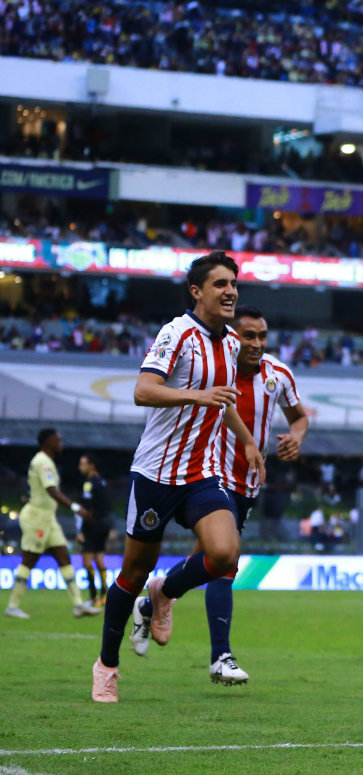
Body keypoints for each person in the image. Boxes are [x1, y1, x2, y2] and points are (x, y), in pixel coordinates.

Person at [91, 251, 265, 703]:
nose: (230, 291)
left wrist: (248, 442)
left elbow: (223, 401)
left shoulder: (231, 343)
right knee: (133, 571)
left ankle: (164, 592)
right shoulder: (176, 332)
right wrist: (198, 395)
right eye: (220, 284)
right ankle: (107, 666)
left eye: (234, 284)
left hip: (201, 473)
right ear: (196, 292)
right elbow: (142, 390)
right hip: (155, 473)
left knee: (225, 555)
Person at [128, 306, 308, 687]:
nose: (257, 343)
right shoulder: (214, 367)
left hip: (248, 482)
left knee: (212, 560)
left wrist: (296, 437)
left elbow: (299, 417)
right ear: (232, 337)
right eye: (248, 335)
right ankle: (220, 657)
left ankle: (154, 598)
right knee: (227, 562)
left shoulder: (278, 375)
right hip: (209, 473)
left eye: (262, 336)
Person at [4, 429, 102, 620]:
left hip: (48, 518)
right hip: (37, 518)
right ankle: (12, 606)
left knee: (64, 557)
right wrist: (76, 508)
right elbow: (51, 490)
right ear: (47, 442)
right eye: (57, 440)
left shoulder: (47, 462)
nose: (60, 443)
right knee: (29, 559)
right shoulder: (42, 461)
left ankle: (78, 605)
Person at [77, 453, 112, 607]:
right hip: (104, 523)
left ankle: (93, 597)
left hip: (93, 524)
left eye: (83, 463)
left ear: (92, 466)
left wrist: (81, 530)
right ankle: (104, 595)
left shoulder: (89, 484)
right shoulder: (102, 482)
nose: (80, 467)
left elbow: (87, 509)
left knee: (87, 560)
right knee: (99, 558)